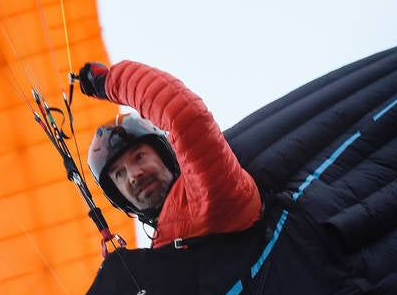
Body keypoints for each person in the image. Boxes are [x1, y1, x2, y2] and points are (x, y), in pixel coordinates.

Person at [78, 60, 262, 246]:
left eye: (139, 157)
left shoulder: (207, 191)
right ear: (117, 195)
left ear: (164, 156)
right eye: (120, 173)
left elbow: (184, 117)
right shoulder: (160, 254)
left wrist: (108, 83)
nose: (133, 176)